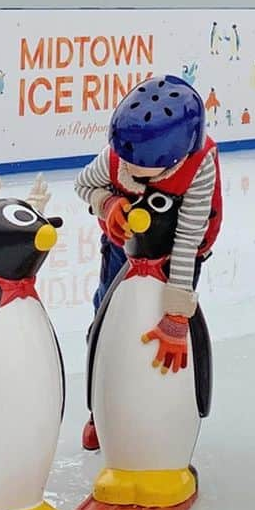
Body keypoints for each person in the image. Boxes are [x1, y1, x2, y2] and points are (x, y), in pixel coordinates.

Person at [74, 75, 222, 450]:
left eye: (138, 168)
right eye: (122, 158)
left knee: (168, 336)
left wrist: (176, 313)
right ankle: (100, 410)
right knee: (106, 325)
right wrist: (106, 204)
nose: (124, 167)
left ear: (172, 158)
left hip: (176, 256)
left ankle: (164, 410)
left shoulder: (198, 166)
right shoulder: (116, 157)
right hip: (122, 251)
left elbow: (188, 238)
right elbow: (83, 184)